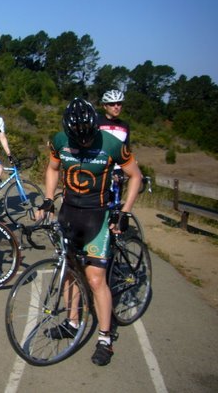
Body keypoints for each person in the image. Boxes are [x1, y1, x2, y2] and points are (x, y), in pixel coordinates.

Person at [36, 97, 142, 366]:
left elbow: (135, 176)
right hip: (69, 214)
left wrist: (124, 212)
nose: (83, 143)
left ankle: (105, 338)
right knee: (69, 271)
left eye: (87, 137)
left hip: (97, 216)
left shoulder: (111, 144)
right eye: (77, 138)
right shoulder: (60, 141)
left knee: (95, 279)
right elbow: (52, 169)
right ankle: (72, 322)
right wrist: (48, 199)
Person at [97, 89, 133, 199]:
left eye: (119, 103)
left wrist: (133, 169)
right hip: (99, 167)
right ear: (105, 106)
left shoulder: (124, 126)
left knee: (115, 202)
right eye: (112, 104)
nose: (116, 107)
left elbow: (126, 149)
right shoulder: (97, 122)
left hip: (117, 169)